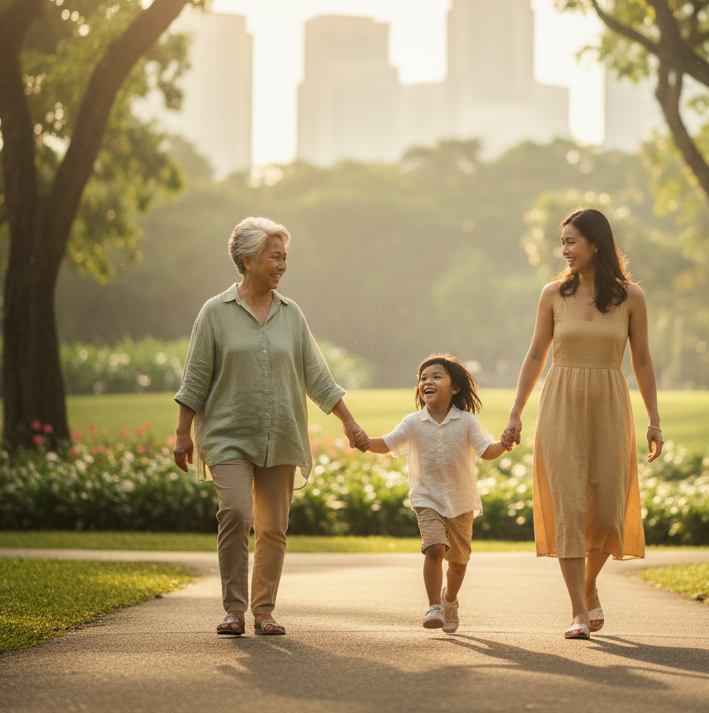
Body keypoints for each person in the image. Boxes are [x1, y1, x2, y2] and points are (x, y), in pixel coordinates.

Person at [173, 216, 369, 636]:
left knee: (273, 527)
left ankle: (263, 611)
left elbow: (318, 376)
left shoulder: (290, 314)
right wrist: (181, 433)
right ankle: (233, 609)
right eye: (274, 256)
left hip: (280, 433)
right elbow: (195, 378)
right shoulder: (215, 312)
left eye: (285, 257)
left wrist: (349, 423)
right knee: (236, 513)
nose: (281, 265)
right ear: (247, 260)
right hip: (227, 433)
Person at [501, 207, 663, 640]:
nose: (565, 250)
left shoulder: (631, 297)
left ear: (596, 243)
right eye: (563, 242)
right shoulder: (553, 294)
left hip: (611, 404)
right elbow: (535, 355)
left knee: (609, 512)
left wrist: (655, 420)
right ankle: (577, 610)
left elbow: (642, 360)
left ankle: (589, 584)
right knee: (569, 507)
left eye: (572, 241)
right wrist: (516, 412)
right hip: (560, 405)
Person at [365, 354, 509, 633]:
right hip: (426, 498)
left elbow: (487, 451)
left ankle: (449, 600)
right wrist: (362, 441)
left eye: (436, 377)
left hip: (461, 501)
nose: (427, 382)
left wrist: (504, 442)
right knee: (434, 549)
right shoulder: (413, 422)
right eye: (423, 378)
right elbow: (386, 444)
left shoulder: (466, 422)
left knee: (457, 562)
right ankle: (433, 606)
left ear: (455, 388)